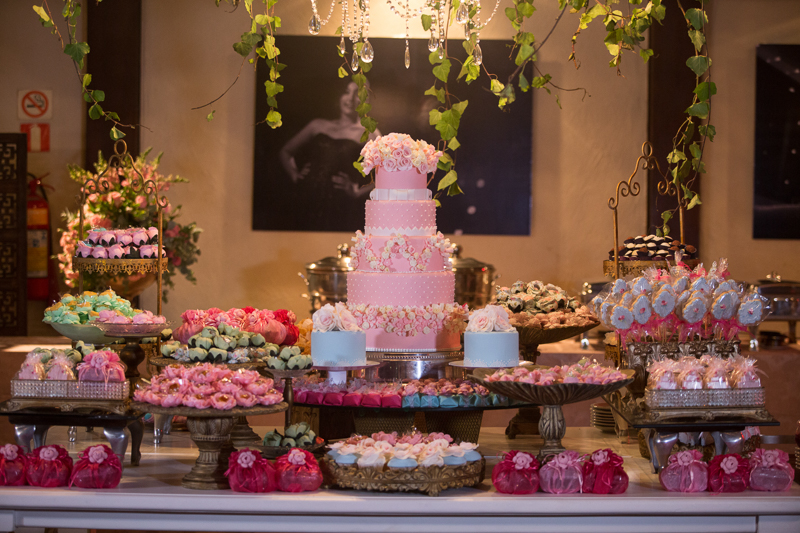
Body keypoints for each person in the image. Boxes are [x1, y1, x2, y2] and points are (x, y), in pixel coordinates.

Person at [279, 81, 381, 230]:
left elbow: (387, 174)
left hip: (339, 204)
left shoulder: (369, 132)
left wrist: (357, 192)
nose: (350, 98)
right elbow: (285, 151)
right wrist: (295, 174)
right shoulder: (318, 125)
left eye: (357, 93)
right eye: (347, 92)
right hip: (306, 198)